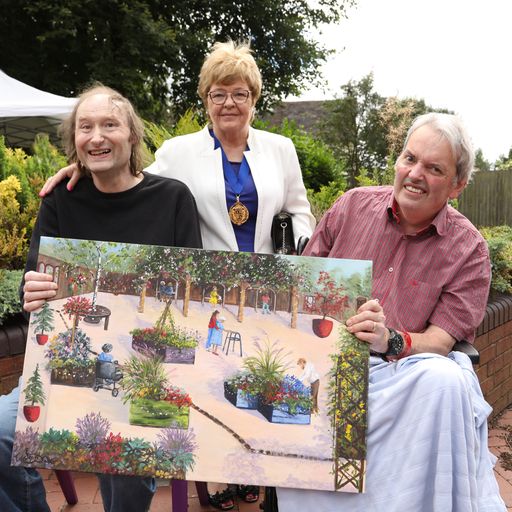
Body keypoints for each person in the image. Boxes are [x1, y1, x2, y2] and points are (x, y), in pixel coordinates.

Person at [41, 40, 316, 511]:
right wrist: (79, 167)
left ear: (254, 97)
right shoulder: (179, 150)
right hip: (210, 291)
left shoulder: (281, 149)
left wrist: (299, 247)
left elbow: (300, 211)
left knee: (264, 383)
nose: (228, 103)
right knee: (226, 383)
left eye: (239, 93)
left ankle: (264, 483)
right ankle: (223, 474)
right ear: (205, 99)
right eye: (218, 93)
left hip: (268, 286)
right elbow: (130, 176)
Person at [277, 113, 507, 512]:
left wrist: (390, 339)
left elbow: (439, 341)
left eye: (434, 168)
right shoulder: (351, 206)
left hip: (402, 372)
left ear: (457, 185)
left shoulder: (469, 249)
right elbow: (304, 286)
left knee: (446, 380)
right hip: (328, 358)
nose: (415, 174)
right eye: (409, 158)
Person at [0, 84, 202, 512]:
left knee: (122, 452)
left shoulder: (173, 198)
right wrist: (32, 292)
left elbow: (193, 295)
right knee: (0, 432)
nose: (97, 136)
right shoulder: (60, 199)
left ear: (132, 135)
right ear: (75, 141)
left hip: (148, 370)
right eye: (85, 127)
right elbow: (33, 288)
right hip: (65, 364)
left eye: (110, 124)